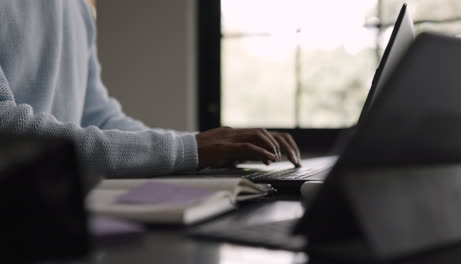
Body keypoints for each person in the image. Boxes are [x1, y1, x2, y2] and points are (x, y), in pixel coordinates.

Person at [0, 0, 301, 184]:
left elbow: (101, 118)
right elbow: (8, 133)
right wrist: (189, 149)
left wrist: (210, 148)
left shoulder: (78, 8)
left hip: (54, 214)